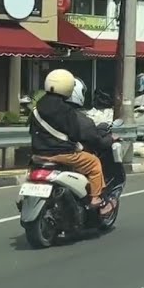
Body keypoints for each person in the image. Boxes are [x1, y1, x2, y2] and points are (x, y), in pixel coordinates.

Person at [29, 69, 112, 214]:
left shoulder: (37, 107)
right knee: (94, 163)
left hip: (38, 154)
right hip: (61, 154)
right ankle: (95, 198)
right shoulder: (66, 110)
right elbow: (75, 133)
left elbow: (32, 130)